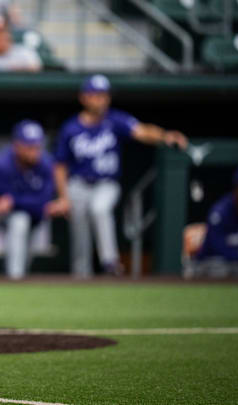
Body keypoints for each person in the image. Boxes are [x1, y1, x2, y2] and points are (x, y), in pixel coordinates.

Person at [52, 74, 188, 278]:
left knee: (99, 209)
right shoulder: (71, 127)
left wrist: (165, 136)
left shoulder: (115, 120)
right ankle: (81, 277)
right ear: (84, 97)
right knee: (79, 233)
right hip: (78, 184)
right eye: (95, 95)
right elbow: (60, 165)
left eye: (103, 95)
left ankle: (110, 262)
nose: (100, 99)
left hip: (106, 183)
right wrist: (63, 196)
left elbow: (142, 131)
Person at [0, 120, 64, 279]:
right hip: (2, 217)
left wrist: (15, 201)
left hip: (35, 215)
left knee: (27, 246)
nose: (34, 152)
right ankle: (14, 278)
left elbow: (43, 202)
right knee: (19, 222)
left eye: (37, 147)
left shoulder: (46, 164)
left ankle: (19, 278)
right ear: (17, 145)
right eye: (29, 147)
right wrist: (25, 203)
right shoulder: (2, 164)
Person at [192, 164, 238, 276]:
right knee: (219, 269)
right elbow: (217, 246)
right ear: (237, 189)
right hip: (212, 264)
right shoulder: (221, 212)